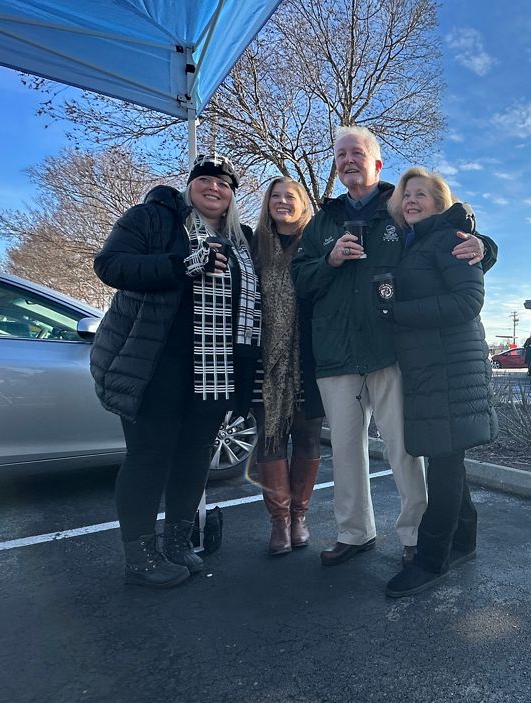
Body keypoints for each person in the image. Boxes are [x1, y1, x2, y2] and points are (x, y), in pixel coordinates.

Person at [291, 126, 497, 569]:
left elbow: (446, 234)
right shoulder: (322, 222)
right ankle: (354, 533)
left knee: (405, 449)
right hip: (336, 352)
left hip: (392, 350)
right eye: (341, 155)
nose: (348, 161)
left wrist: (485, 246)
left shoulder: (399, 210)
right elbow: (300, 278)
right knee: (346, 450)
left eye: (357, 153)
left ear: (377, 163)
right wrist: (329, 260)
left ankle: (415, 535)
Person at [91, 153, 260, 588]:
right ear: (190, 185)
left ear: (232, 194)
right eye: (205, 179)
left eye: (223, 183)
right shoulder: (153, 218)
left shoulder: (241, 238)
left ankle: (178, 542)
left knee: (194, 455)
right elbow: (109, 265)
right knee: (149, 456)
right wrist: (181, 265)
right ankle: (140, 557)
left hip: (214, 367)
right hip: (155, 360)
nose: (214, 187)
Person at [377, 167, 496, 598]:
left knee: (444, 463)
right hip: (432, 366)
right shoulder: (417, 242)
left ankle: (431, 560)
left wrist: (399, 313)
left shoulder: (448, 239)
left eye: (421, 195)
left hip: (450, 367)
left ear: (439, 202)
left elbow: (469, 301)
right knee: (448, 458)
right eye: (407, 195)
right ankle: (463, 541)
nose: (411, 200)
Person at [249, 177, 325, 555]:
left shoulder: (316, 242)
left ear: (303, 204)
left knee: (307, 438)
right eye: (275, 196)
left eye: (290, 196)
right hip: (265, 359)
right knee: (271, 438)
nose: (282, 202)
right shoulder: (254, 245)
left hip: (309, 356)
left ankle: (299, 518)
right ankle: (279, 522)